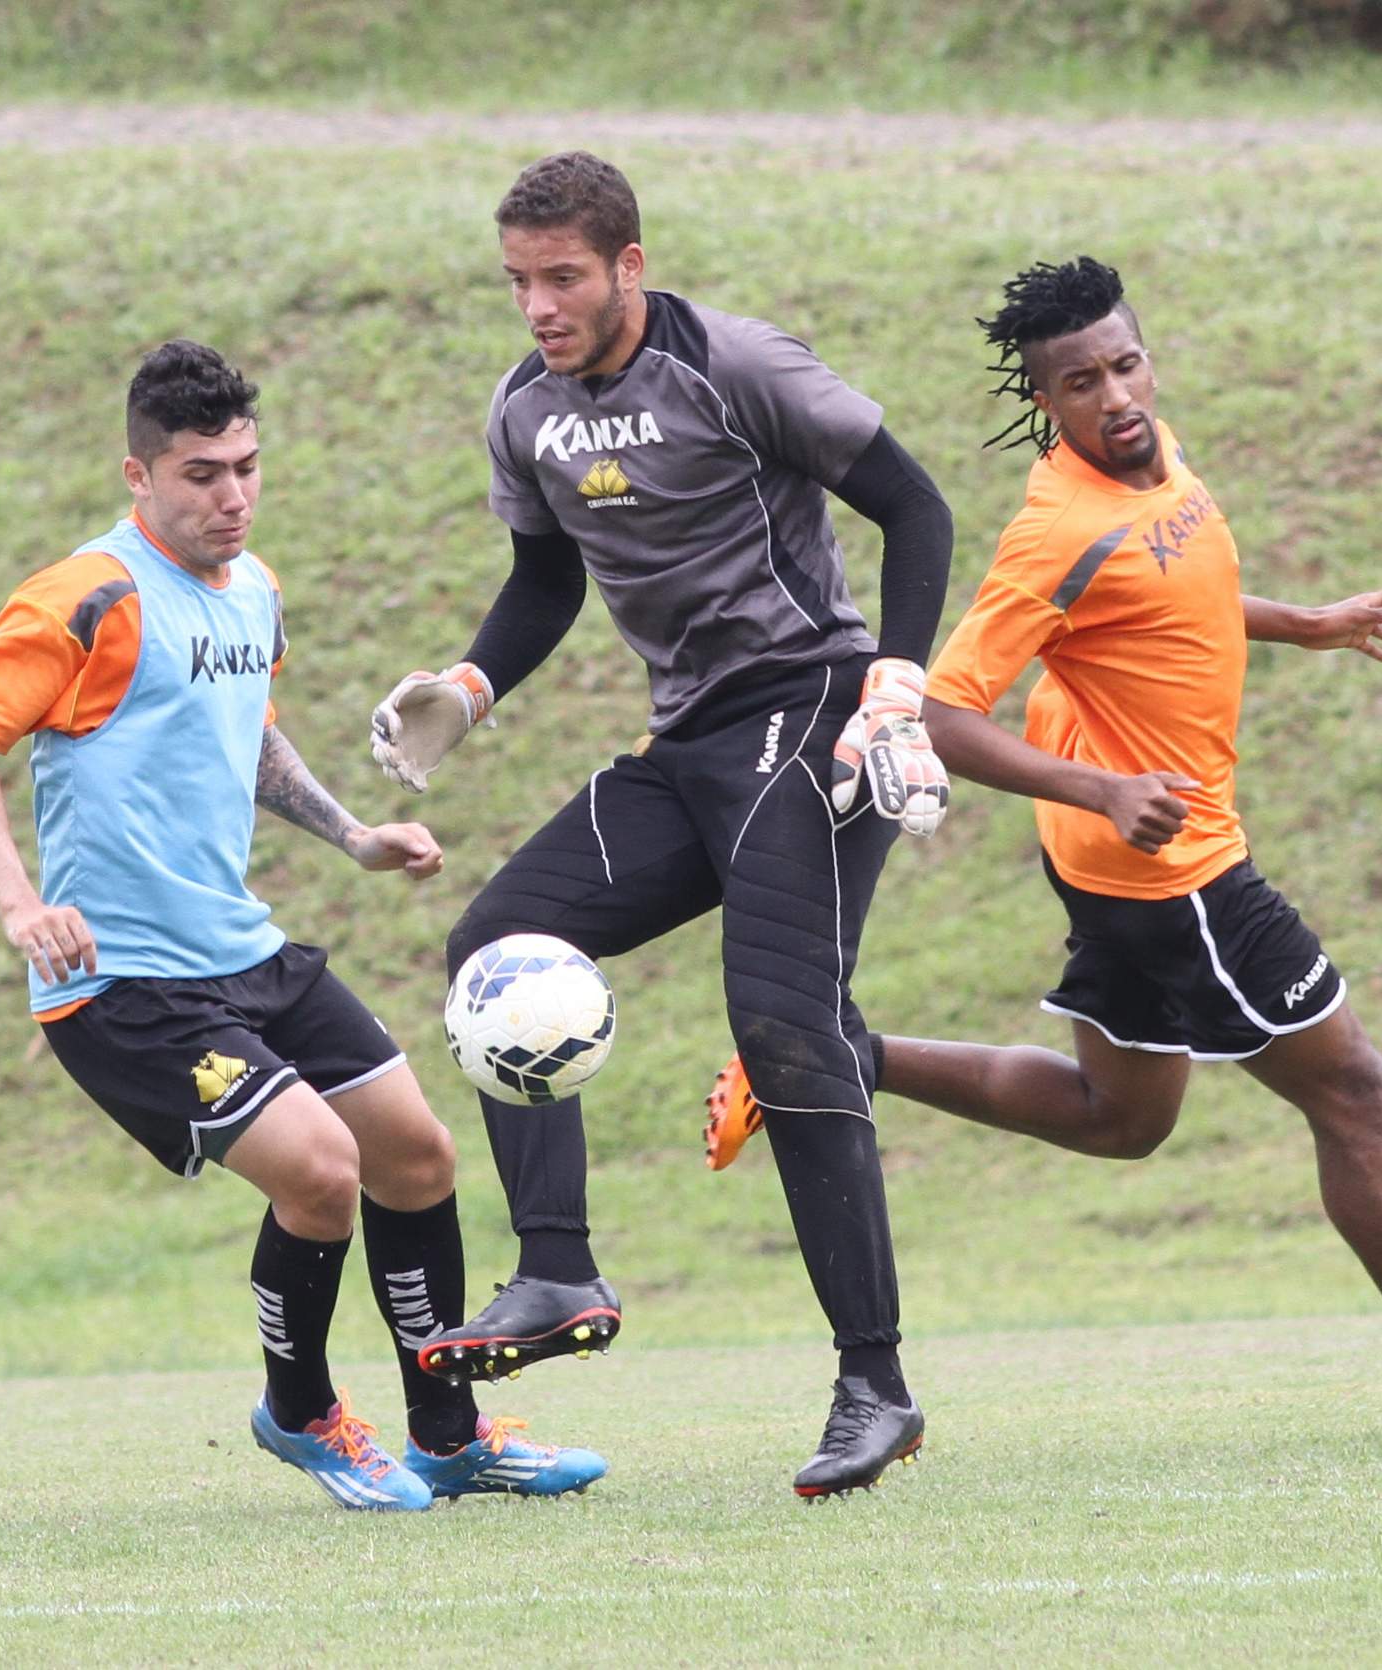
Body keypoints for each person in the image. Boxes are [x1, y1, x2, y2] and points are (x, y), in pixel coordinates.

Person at [705, 258, 1382, 1437]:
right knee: (1353, 1092)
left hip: (1119, 860)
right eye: (1080, 382)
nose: (1116, 395)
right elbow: (935, 711)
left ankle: (825, 1057)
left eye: (1126, 364)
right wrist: (1100, 785)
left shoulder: (1153, 453)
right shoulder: (1057, 528)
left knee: (1120, 1116)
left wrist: (1306, 621)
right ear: (1045, 401)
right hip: (1174, 868)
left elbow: (1167, 587)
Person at [0, 339, 606, 1512]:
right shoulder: (85, 596)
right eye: (199, 473)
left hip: (245, 951)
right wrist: (18, 902)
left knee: (416, 1155)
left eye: (245, 466)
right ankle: (299, 1411)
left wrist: (351, 834)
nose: (230, 495)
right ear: (138, 477)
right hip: (125, 985)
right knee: (321, 1171)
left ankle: (448, 1433)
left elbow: (244, 733)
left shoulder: (253, 588)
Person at [366, 152, 955, 1496]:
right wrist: (469, 682)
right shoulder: (525, 411)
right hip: (691, 741)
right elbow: (543, 578)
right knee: (494, 940)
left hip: (810, 708)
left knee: (784, 1021)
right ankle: (556, 1267)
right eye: (518, 280)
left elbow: (916, 506)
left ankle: (876, 1383)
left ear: (628, 265)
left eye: (562, 276)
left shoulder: (736, 365)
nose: (537, 305)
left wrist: (900, 678)